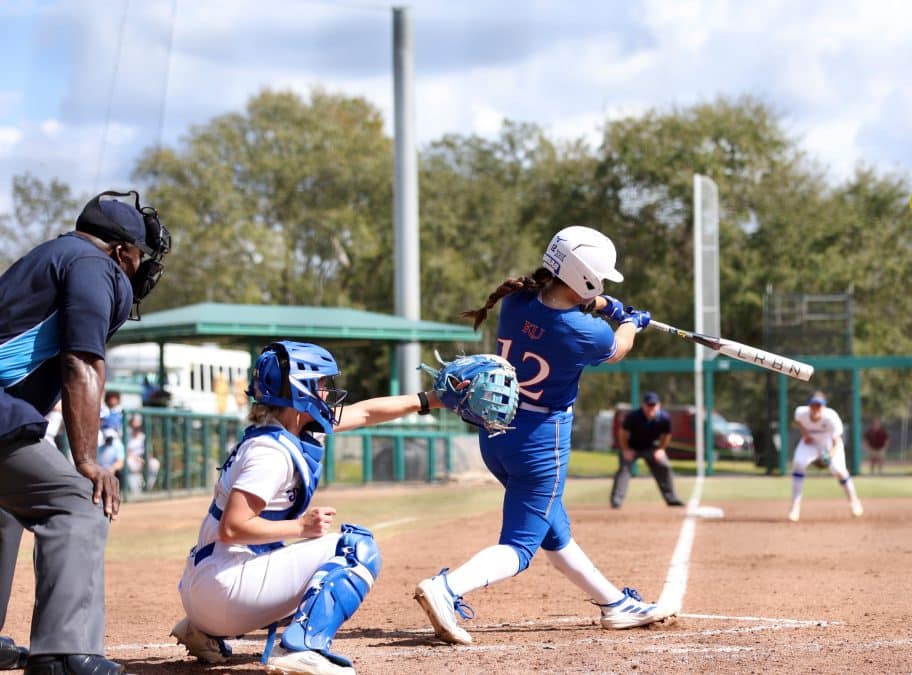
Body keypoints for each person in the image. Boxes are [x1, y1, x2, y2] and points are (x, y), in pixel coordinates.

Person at [411, 225, 672, 647]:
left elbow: (563, 304)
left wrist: (603, 302)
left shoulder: (515, 302)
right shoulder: (588, 333)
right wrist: (628, 321)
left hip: (497, 433)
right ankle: (447, 588)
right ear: (584, 276)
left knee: (552, 527)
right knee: (519, 547)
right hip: (540, 442)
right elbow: (617, 346)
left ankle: (614, 604)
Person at [170, 340, 456, 675]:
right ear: (298, 391)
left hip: (211, 586)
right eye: (320, 384)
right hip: (223, 588)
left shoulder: (287, 432)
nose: (327, 391)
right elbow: (232, 528)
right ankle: (300, 647)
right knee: (355, 549)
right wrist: (301, 528)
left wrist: (432, 400)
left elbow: (365, 412)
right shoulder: (270, 453)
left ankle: (205, 632)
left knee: (316, 581)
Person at [0, 190, 170, 674]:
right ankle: (63, 654)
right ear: (120, 251)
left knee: (7, 505)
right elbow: (83, 361)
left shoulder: (46, 257)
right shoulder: (96, 266)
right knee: (78, 501)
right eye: (137, 258)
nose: (138, 270)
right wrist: (88, 461)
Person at [787, 391, 863, 522]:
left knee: (838, 470)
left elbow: (836, 441)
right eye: (813, 405)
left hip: (829, 444)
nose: (816, 408)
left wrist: (829, 456)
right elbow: (798, 421)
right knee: (799, 463)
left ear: (824, 406)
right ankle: (795, 507)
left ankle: (854, 501)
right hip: (810, 443)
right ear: (809, 406)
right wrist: (805, 434)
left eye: (819, 405)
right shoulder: (801, 412)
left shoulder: (831, 417)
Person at [610, 392, 684, 508]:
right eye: (649, 405)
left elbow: (666, 435)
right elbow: (622, 434)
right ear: (643, 406)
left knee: (664, 465)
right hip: (632, 448)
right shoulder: (633, 417)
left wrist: (661, 449)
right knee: (624, 469)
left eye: (653, 405)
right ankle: (616, 500)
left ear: (658, 405)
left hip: (651, 448)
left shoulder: (664, 418)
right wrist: (625, 450)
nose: (651, 408)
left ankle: (671, 498)